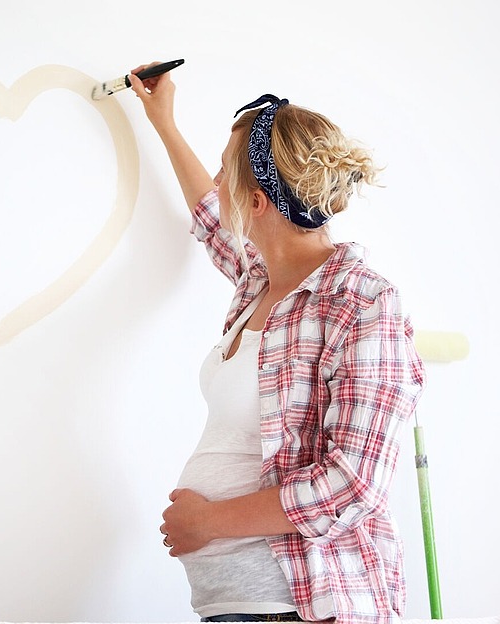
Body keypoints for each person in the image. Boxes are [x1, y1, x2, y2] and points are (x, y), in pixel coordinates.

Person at [127, 64, 426, 624]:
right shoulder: (259, 281)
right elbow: (210, 217)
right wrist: (163, 122)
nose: (216, 183)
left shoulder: (362, 303)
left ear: (259, 201)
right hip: (238, 603)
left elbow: (352, 483)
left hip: (302, 604)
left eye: (225, 171)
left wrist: (209, 523)